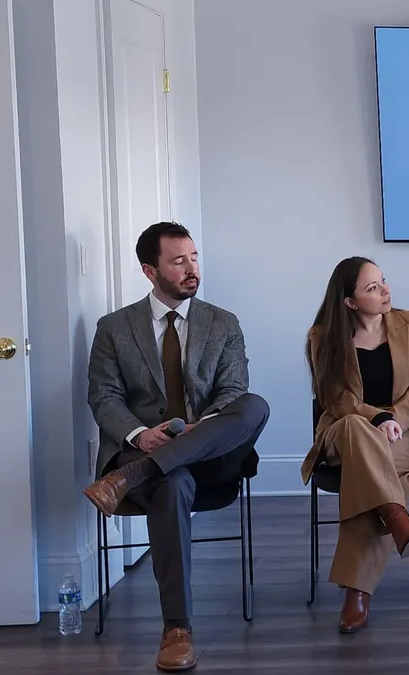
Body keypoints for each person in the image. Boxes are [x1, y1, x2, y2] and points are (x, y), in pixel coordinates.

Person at [83, 221, 270, 673]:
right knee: (172, 483)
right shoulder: (114, 328)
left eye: (194, 257)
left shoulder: (223, 323)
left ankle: (137, 474)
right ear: (150, 271)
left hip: (211, 453)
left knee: (255, 405)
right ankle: (177, 629)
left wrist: (196, 430)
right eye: (178, 260)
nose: (191, 269)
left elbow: (232, 391)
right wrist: (141, 436)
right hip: (147, 450)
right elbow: (103, 397)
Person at [301, 256, 409, 634]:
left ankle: (356, 592)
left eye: (383, 281)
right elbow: (334, 398)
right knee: (357, 428)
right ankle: (395, 515)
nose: (386, 291)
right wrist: (376, 418)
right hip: (346, 432)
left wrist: (394, 419)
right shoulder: (322, 336)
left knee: (368, 470)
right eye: (373, 288)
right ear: (349, 302)